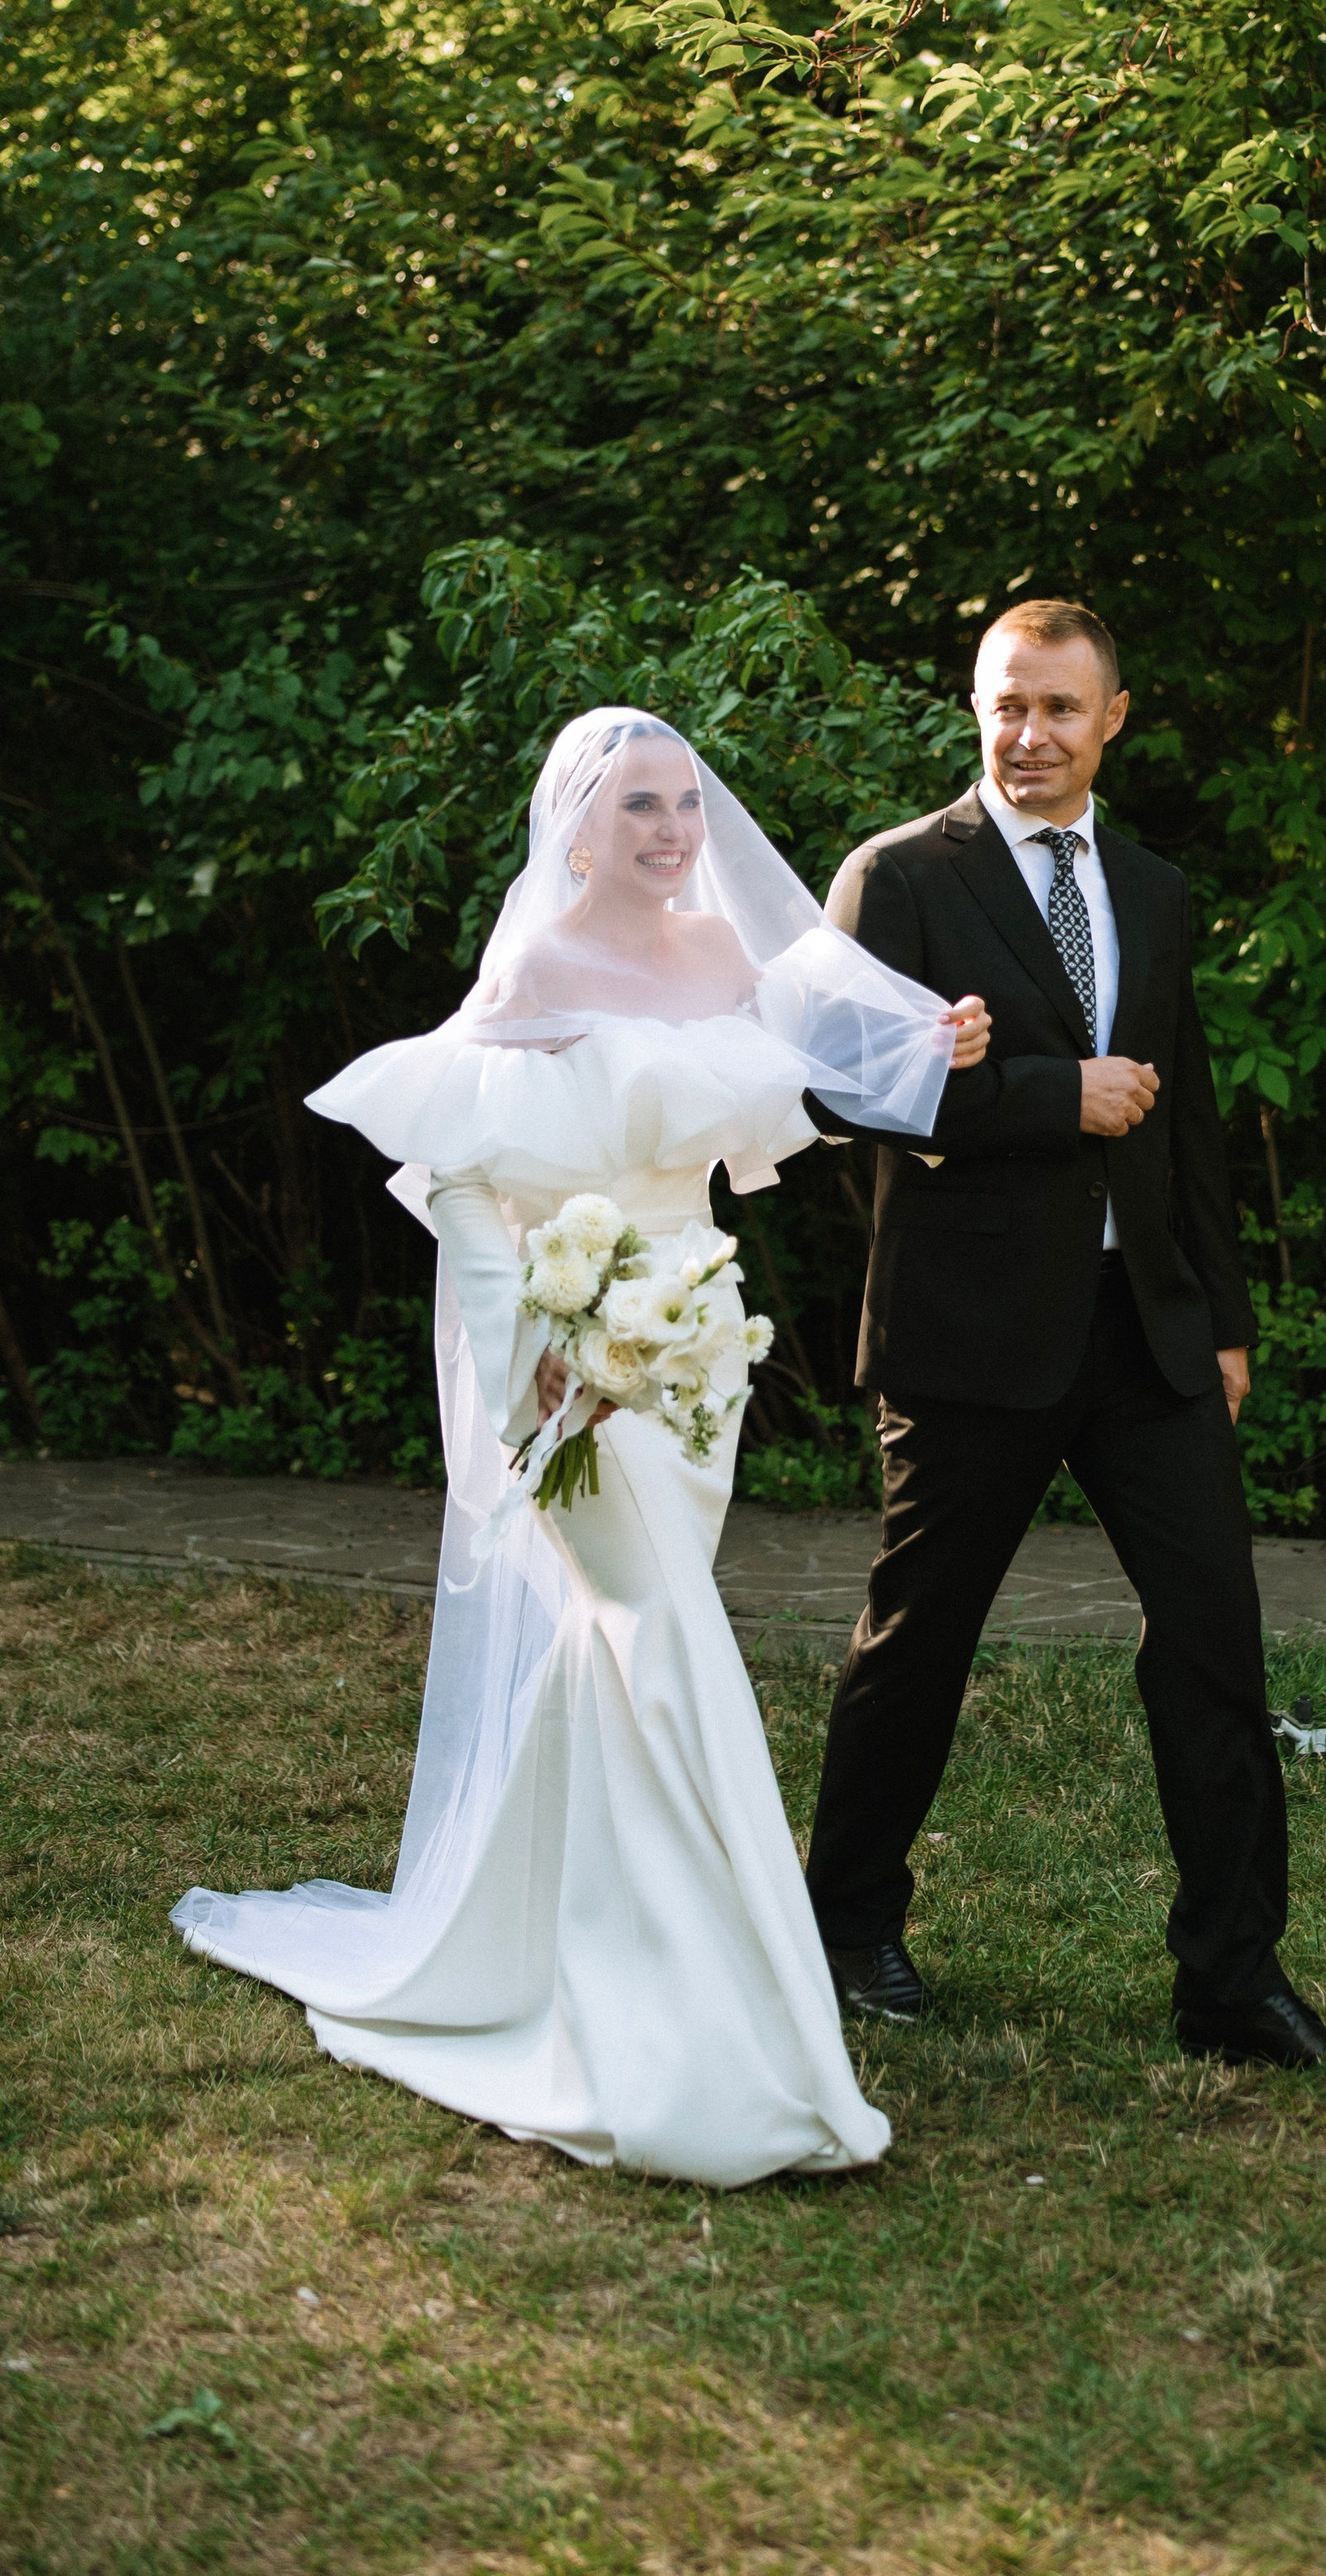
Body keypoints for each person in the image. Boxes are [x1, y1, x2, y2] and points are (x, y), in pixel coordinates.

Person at [171, 706, 991, 2187]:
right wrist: (532, 1352)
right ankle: (721, 2021)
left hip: (700, 1355)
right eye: (639, 809)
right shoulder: (538, 968)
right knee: (657, 1636)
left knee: (612, 1654)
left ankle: (539, 1935)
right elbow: (466, 1172)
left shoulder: (731, 958)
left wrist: (945, 1041)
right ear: (580, 827)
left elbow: (819, 1076)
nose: (673, 831)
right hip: (574, 1357)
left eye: (686, 803)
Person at [802, 601, 1326, 2075]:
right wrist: (1042, 1097)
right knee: (919, 1642)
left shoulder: (1154, 886)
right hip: (967, 1335)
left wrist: (1225, 1314)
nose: (1030, 737)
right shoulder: (896, 878)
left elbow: (1181, 1115)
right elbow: (825, 1095)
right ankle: (844, 1925)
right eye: (1007, 705)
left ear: (1112, 717)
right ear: (975, 707)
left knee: (1215, 1649)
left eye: (1061, 710)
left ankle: (1233, 1984)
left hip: (1148, 1336)